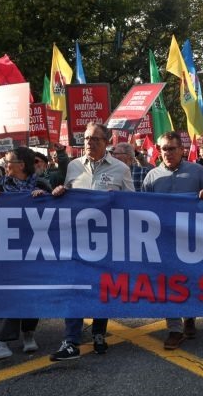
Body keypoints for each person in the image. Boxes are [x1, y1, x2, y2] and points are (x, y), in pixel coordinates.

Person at [49, 123, 135, 361]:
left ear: (107, 142)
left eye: (95, 139)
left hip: (107, 241)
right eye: (86, 138)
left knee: (101, 288)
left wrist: (114, 201)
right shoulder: (74, 166)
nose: (89, 143)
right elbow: (67, 194)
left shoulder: (120, 168)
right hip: (76, 240)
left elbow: (132, 204)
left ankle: (98, 332)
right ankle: (70, 340)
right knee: (74, 288)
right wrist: (59, 191)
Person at [142, 131, 203, 350]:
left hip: (192, 237)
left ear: (182, 150)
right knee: (167, 282)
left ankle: (190, 316)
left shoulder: (197, 171)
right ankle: (175, 329)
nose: (167, 153)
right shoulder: (152, 176)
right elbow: (141, 206)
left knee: (191, 278)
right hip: (162, 239)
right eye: (163, 149)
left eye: (172, 148)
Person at [0, 147, 52, 361]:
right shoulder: (2, 184)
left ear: (22, 165)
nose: (4, 163)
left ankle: (29, 332)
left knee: (31, 291)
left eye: (8, 160)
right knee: (4, 291)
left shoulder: (41, 184)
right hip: (7, 249)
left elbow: (56, 212)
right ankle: (2, 342)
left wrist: (44, 199)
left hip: (35, 249)